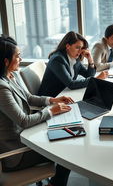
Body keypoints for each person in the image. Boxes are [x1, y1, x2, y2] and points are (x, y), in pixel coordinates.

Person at [0, 35, 73, 186]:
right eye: (18, 56)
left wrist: (52, 100)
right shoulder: (1, 88)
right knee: (67, 151)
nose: (20, 59)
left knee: (67, 136)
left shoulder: (11, 75)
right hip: (16, 152)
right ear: (5, 61)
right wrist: (52, 111)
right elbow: (24, 121)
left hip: (27, 137)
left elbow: (28, 97)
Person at [38, 31, 108, 97]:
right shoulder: (57, 59)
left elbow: (88, 75)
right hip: (52, 98)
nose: (80, 51)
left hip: (66, 93)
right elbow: (71, 84)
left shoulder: (74, 58)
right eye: (77, 47)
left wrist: (90, 60)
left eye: (82, 48)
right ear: (68, 46)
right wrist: (95, 80)